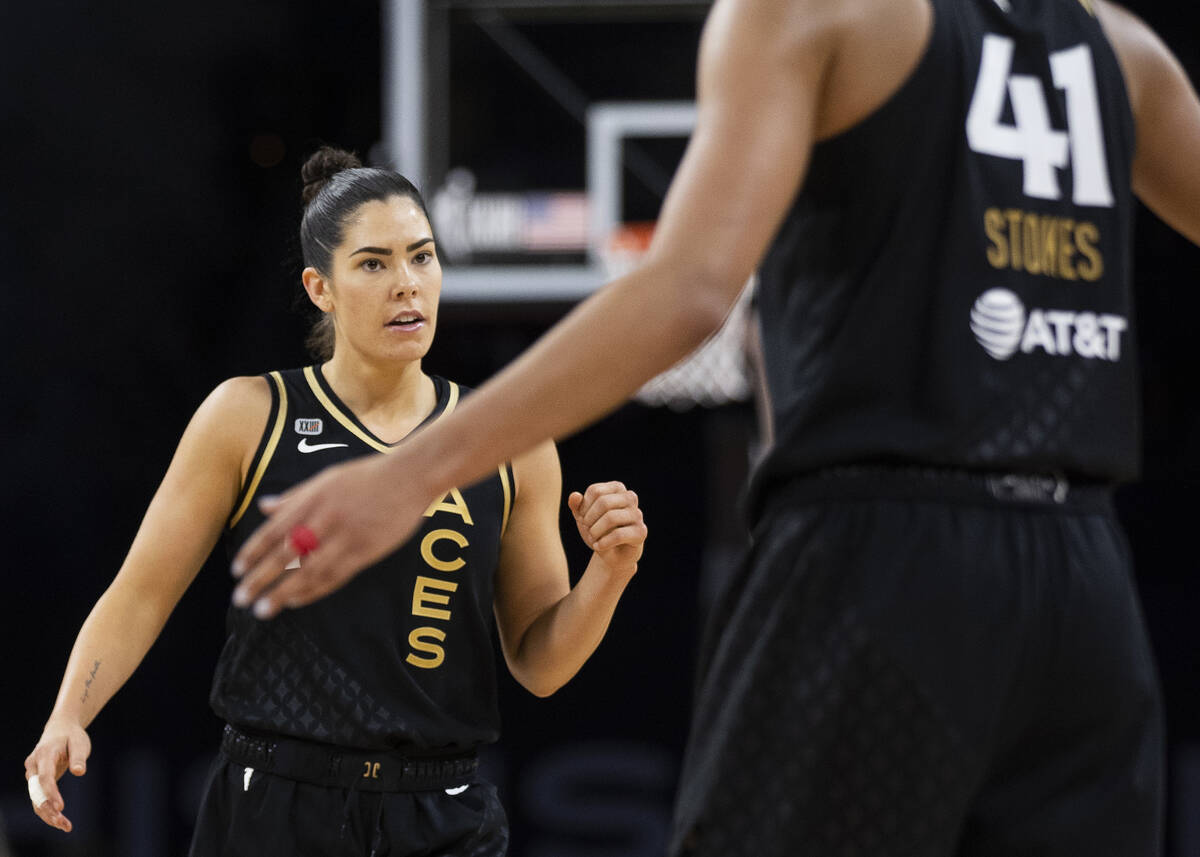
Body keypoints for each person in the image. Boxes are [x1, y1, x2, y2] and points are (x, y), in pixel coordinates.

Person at [232, 0, 1200, 854]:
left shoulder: (813, 12)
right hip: (1086, 584)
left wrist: (407, 474)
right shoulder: (1119, 50)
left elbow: (692, 291)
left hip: (883, 563)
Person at [23, 147, 648, 856]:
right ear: (321, 287)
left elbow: (539, 663)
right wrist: (68, 712)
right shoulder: (249, 414)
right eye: (374, 264)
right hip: (275, 806)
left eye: (422, 257)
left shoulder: (508, 439)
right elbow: (141, 593)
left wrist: (611, 569)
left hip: (443, 813)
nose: (407, 285)